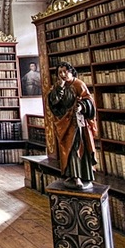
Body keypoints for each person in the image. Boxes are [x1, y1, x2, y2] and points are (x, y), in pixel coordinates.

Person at [47, 61, 97, 190]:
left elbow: (89, 100)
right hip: (64, 123)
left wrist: (81, 106)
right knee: (67, 150)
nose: (63, 74)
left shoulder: (79, 84)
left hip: (77, 122)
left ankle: (79, 177)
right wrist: (60, 88)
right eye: (60, 73)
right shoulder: (58, 86)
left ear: (71, 71)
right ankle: (71, 174)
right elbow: (53, 102)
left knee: (77, 148)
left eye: (65, 71)